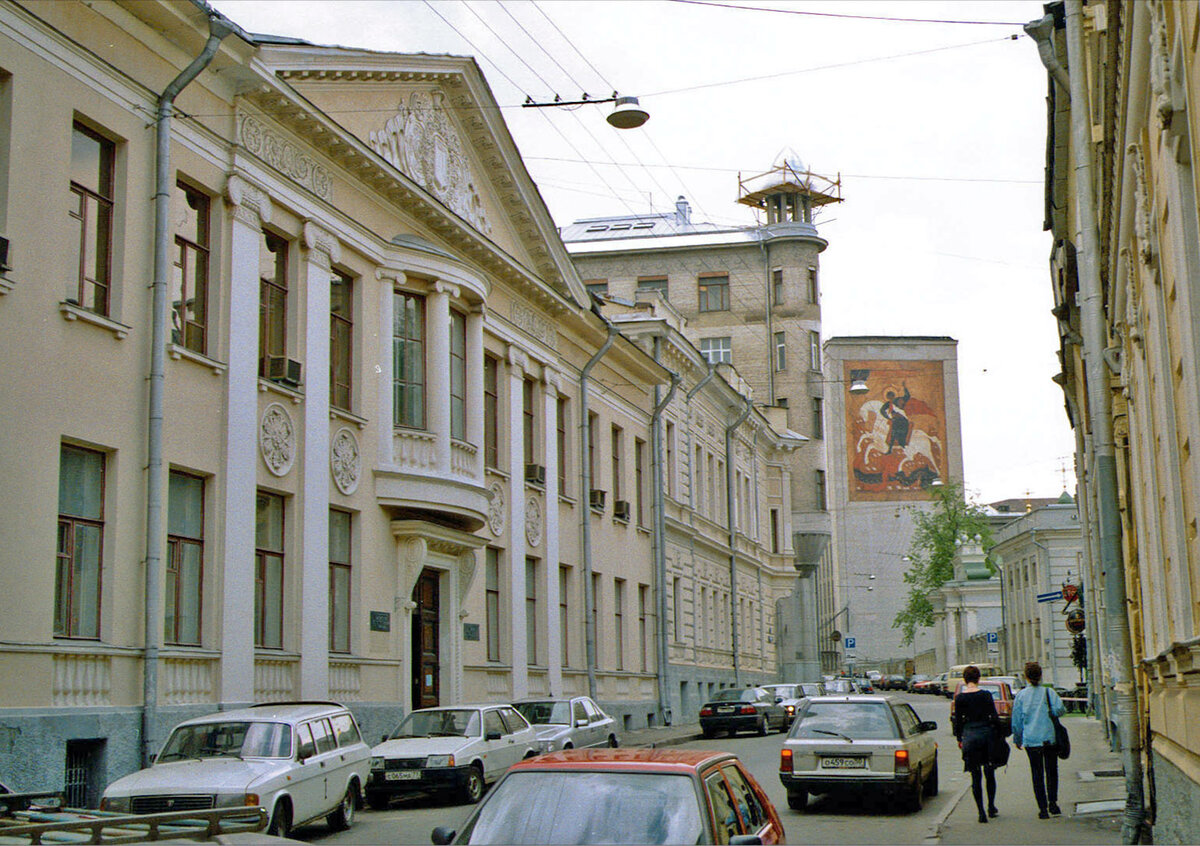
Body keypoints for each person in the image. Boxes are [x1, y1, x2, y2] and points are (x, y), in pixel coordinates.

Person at [1011, 660, 1066, 819]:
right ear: (1041, 675)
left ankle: (1042, 809)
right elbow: (1060, 710)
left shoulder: (1021, 696)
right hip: (1049, 737)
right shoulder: (1049, 693)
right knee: (1051, 771)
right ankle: (1053, 804)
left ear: (1026, 677)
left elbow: (1017, 721)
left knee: (1037, 774)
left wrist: (1018, 738)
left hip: (1031, 739)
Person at [952, 665, 1001, 823]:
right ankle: (991, 807)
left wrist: (960, 738)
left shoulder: (960, 698)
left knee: (975, 776)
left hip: (970, 737)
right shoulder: (986, 695)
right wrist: (998, 734)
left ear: (965, 680)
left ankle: (981, 812)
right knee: (989, 773)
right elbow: (994, 717)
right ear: (978, 679)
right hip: (986, 736)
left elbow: (958, 721)